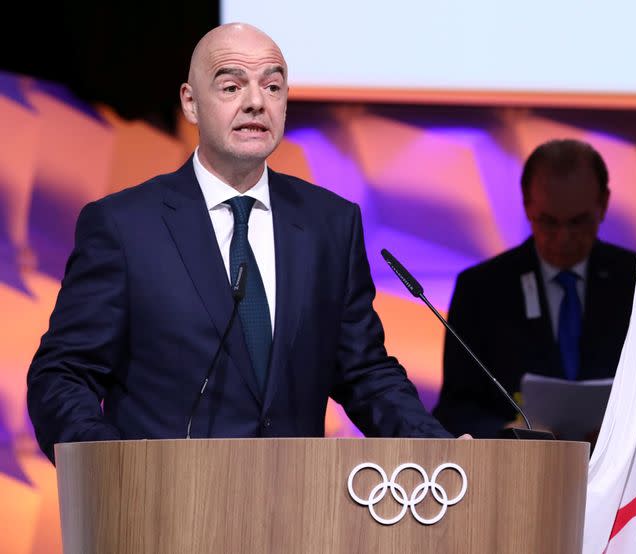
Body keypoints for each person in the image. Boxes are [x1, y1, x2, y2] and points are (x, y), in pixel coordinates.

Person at [27, 23, 452, 464]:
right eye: (231, 86)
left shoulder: (331, 223)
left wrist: (438, 448)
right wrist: (111, 467)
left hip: (299, 508)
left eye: (272, 86)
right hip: (164, 512)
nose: (255, 102)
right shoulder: (124, 225)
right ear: (190, 103)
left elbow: (364, 371)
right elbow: (63, 374)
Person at [433, 139, 636, 438]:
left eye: (578, 222)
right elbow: (456, 410)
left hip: (620, 472)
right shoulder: (481, 290)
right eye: (548, 222)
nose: (563, 237)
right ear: (527, 206)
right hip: (518, 470)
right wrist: (509, 434)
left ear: (604, 204)